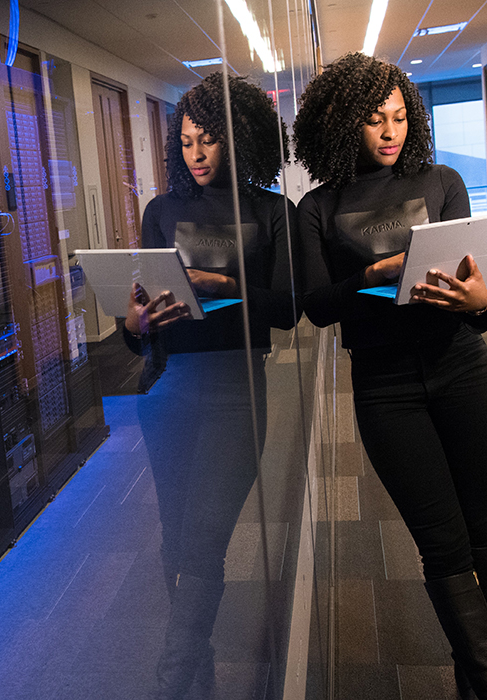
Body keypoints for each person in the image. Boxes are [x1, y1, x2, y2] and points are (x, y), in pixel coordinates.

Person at [291, 52, 487, 700]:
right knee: (442, 543)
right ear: (341, 122)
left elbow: (476, 302)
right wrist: (371, 276)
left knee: (479, 527)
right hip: (385, 389)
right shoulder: (319, 207)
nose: (390, 132)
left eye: (398, 118)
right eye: (374, 120)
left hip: (463, 370)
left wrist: (486, 305)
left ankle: (472, 679)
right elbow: (315, 306)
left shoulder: (442, 181)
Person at [120, 71, 296, 700]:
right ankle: (194, 657)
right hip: (167, 389)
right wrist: (136, 323)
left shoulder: (273, 211)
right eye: (188, 140)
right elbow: (136, 325)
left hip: (235, 393)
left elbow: (288, 310)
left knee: (204, 540)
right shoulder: (161, 211)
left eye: (210, 140)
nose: (196, 153)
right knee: (177, 536)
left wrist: (228, 288)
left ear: (240, 139)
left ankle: (171, 681)